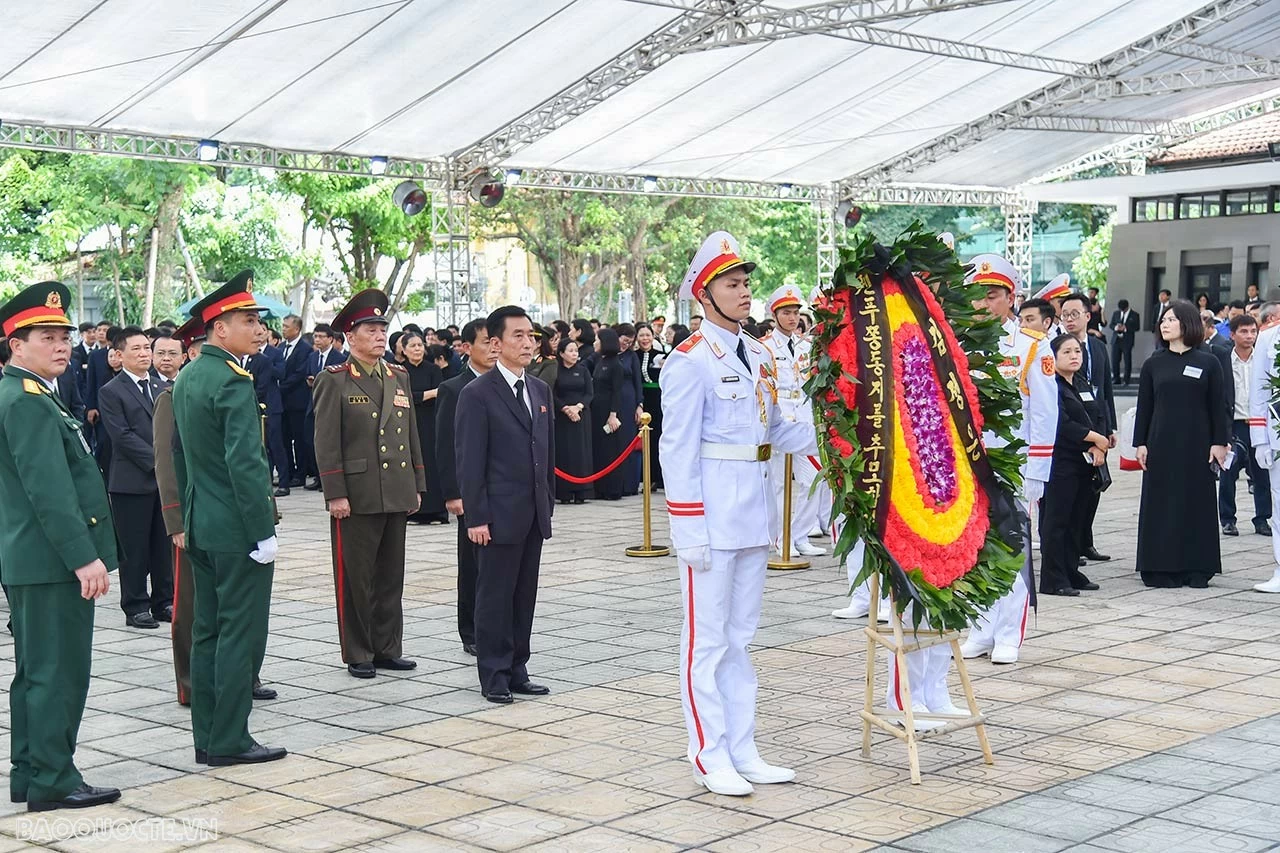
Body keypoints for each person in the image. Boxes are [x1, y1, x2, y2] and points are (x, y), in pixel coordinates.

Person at [660, 231, 819, 797]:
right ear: (705, 296)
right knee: (706, 641)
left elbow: (773, 429)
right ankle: (708, 752)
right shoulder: (689, 361)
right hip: (711, 518)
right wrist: (687, 529)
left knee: (741, 638)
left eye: (747, 283)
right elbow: (674, 451)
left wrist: (832, 421)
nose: (745, 292)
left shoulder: (756, 352)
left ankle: (742, 746)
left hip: (752, 513)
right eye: (733, 285)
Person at [0, 281, 121, 812]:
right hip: (51, 562)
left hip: (33, 559)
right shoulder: (25, 401)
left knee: (36, 672)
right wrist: (83, 556)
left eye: (64, 335)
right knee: (58, 672)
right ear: (15, 345)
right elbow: (47, 489)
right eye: (46, 336)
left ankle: (30, 771)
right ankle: (53, 779)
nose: (61, 344)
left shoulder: (29, 394)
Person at [171, 271, 285, 766]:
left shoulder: (190, 374)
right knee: (239, 632)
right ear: (220, 328)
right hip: (237, 530)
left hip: (201, 524)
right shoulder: (233, 381)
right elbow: (246, 464)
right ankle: (231, 739)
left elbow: (181, 457)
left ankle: (206, 735)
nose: (258, 330)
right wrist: (262, 530)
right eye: (247, 321)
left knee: (207, 632)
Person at [312, 290, 425, 678]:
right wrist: (335, 493)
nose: (379, 336)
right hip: (356, 494)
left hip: (395, 487)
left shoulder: (399, 376)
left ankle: (387, 647)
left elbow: (410, 433)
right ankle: (358, 651)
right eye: (371, 329)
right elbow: (326, 441)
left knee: (391, 575)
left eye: (382, 329)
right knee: (356, 577)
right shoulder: (336, 380)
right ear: (351, 336)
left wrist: (416, 483)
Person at [959, 257, 1058, 663]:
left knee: (1011, 545)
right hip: (969, 461)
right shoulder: (961, 343)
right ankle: (981, 625)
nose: (984, 302)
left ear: (1011, 298)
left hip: (1012, 461)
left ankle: (1008, 633)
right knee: (974, 546)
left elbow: (1045, 414)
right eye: (979, 294)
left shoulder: (1032, 347)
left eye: (994, 294)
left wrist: (1037, 470)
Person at [456, 305, 556, 705]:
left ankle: (518, 667)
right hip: (496, 516)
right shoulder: (476, 394)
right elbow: (470, 460)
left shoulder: (540, 390)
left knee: (523, 595)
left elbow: (546, 454)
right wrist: (475, 516)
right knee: (494, 596)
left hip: (532, 512)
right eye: (518, 335)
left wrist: (546, 502)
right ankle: (494, 673)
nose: (528, 342)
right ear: (495, 343)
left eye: (531, 335)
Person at [1134, 299, 1229, 588]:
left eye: (1171, 320)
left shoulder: (1208, 361)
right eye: (1163, 320)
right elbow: (1145, 407)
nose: (1165, 324)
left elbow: (1218, 406)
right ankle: (1159, 566)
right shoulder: (1153, 364)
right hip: (1160, 443)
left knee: (1196, 502)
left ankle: (1197, 566)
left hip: (1198, 444)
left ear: (1187, 323)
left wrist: (1220, 442)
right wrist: (1140, 443)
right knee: (1161, 503)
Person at [98, 326, 174, 630]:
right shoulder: (111, 391)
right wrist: (159, 463)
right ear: (119, 355)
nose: (145, 354)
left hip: (163, 481)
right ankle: (135, 605)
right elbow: (122, 436)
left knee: (162, 544)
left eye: (147, 348)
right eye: (137, 349)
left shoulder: (161, 387)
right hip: (131, 481)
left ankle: (163, 601)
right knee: (134, 547)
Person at [436, 319, 495, 656]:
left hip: (501, 489)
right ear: (467, 347)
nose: (492, 348)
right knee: (471, 563)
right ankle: (470, 630)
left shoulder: (506, 384)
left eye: (494, 341)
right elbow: (445, 445)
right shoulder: (454, 388)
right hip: (469, 492)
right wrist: (453, 493)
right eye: (485, 342)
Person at [1039, 335, 1110, 596]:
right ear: (1054, 357)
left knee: (1077, 520)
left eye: (1077, 351)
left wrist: (1098, 444)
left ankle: (1071, 571)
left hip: (1087, 460)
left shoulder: (1081, 382)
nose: (1074, 356)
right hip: (1061, 461)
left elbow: (1099, 413)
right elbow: (1061, 423)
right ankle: (1053, 578)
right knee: (1057, 520)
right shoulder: (1052, 386)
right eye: (1067, 351)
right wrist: (1093, 439)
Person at [761, 284, 825, 559]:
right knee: (779, 483)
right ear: (774, 316)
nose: (792, 318)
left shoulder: (805, 346)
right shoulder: (764, 347)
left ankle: (800, 535)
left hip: (802, 416)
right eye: (786, 313)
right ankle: (780, 538)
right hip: (778, 416)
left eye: (796, 312)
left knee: (814, 479)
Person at [1060, 292, 1116, 564]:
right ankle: (1069, 545)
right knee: (1072, 491)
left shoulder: (1097, 346)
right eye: (1065, 315)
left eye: (1074, 314)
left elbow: (1106, 388)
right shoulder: (1055, 347)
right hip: (1074, 427)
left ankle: (1086, 541)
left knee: (1095, 485)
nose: (1069, 319)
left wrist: (1110, 427)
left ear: (1087, 315)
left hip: (1098, 422)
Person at [1219, 313, 1271, 538]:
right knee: (1229, 474)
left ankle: (1262, 518)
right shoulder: (1222, 360)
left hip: (1258, 424)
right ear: (1232, 334)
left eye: (1253, 331)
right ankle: (1228, 519)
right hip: (1235, 424)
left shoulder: (1263, 358)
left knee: (1262, 474)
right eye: (1244, 331)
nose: (1249, 336)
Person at [1249, 301, 1280, 593]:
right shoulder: (1270, 338)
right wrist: (1259, 439)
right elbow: (1259, 389)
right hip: (1277, 435)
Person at [401, 331, 448, 524]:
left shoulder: (433, 369)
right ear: (403, 350)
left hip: (429, 421)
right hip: (406, 421)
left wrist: (417, 397)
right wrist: (425, 395)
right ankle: (413, 510)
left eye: (420, 345)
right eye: (412, 346)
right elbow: (402, 397)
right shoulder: (399, 370)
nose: (417, 349)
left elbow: (440, 392)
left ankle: (436, 510)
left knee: (431, 463)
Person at [554, 338, 594, 504]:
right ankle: (564, 492)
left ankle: (581, 492)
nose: (574, 354)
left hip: (581, 415)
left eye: (576, 351)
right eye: (570, 350)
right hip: (562, 417)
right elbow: (552, 392)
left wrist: (578, 407)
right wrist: (565, 409)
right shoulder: (556, 370)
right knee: (564, 453)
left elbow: (589, 393)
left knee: (581, 453)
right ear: (561, 353)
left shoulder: (583, 370)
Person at [590, 329, 626, 501]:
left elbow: (617, 392)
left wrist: (613, 414)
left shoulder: (616, 364)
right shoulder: (599, 361)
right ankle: (600, 487)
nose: (595, 343)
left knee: (610, 449)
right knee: (599, 450)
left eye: (597, 340)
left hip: (608, 410)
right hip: (596, 409)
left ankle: (612, 488)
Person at [278, 314, 313, 490]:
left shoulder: (305, 349)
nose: (283, 329)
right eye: (282, 326)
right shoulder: (281, 347)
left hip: (297, 400)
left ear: (297, 329)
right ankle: (289, 471)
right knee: (284, 438)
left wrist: (281, 387)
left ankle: (301, 473)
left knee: (299, 439)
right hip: (282, 402)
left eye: (286, 326)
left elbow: (300, 374)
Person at [614, 323, 644, 495]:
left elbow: (637, 382)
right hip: (612, 401)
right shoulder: (607, 354)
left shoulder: (631, 356)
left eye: (629, 342)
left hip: (628, 401)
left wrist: (639, 405)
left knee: (628, 443)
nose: (625, 345)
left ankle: (629, 485)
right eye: (624, 340)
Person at [636, 324, 665, 490]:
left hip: (658, 400)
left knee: (657, 438)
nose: (645, 339)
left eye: (648, 335)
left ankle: (657, 477)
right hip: (642, 400)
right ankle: (643, 476)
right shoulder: (633, 356)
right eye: (641, 335)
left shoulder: (662, 356)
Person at [1109, 299, 1139, 386]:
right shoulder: (1116, 313)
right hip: (1116, 340)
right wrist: (1116, 327)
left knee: (1127, 360)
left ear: (1127, 307)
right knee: (1115, 360)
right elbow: (1111, 324)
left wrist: (1125, 328)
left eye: (1123, 310)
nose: (1122, 311)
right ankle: (1116, 378)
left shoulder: (1135, 315)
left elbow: (1137, 327)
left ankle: (1126, 380)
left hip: (1127, 340)